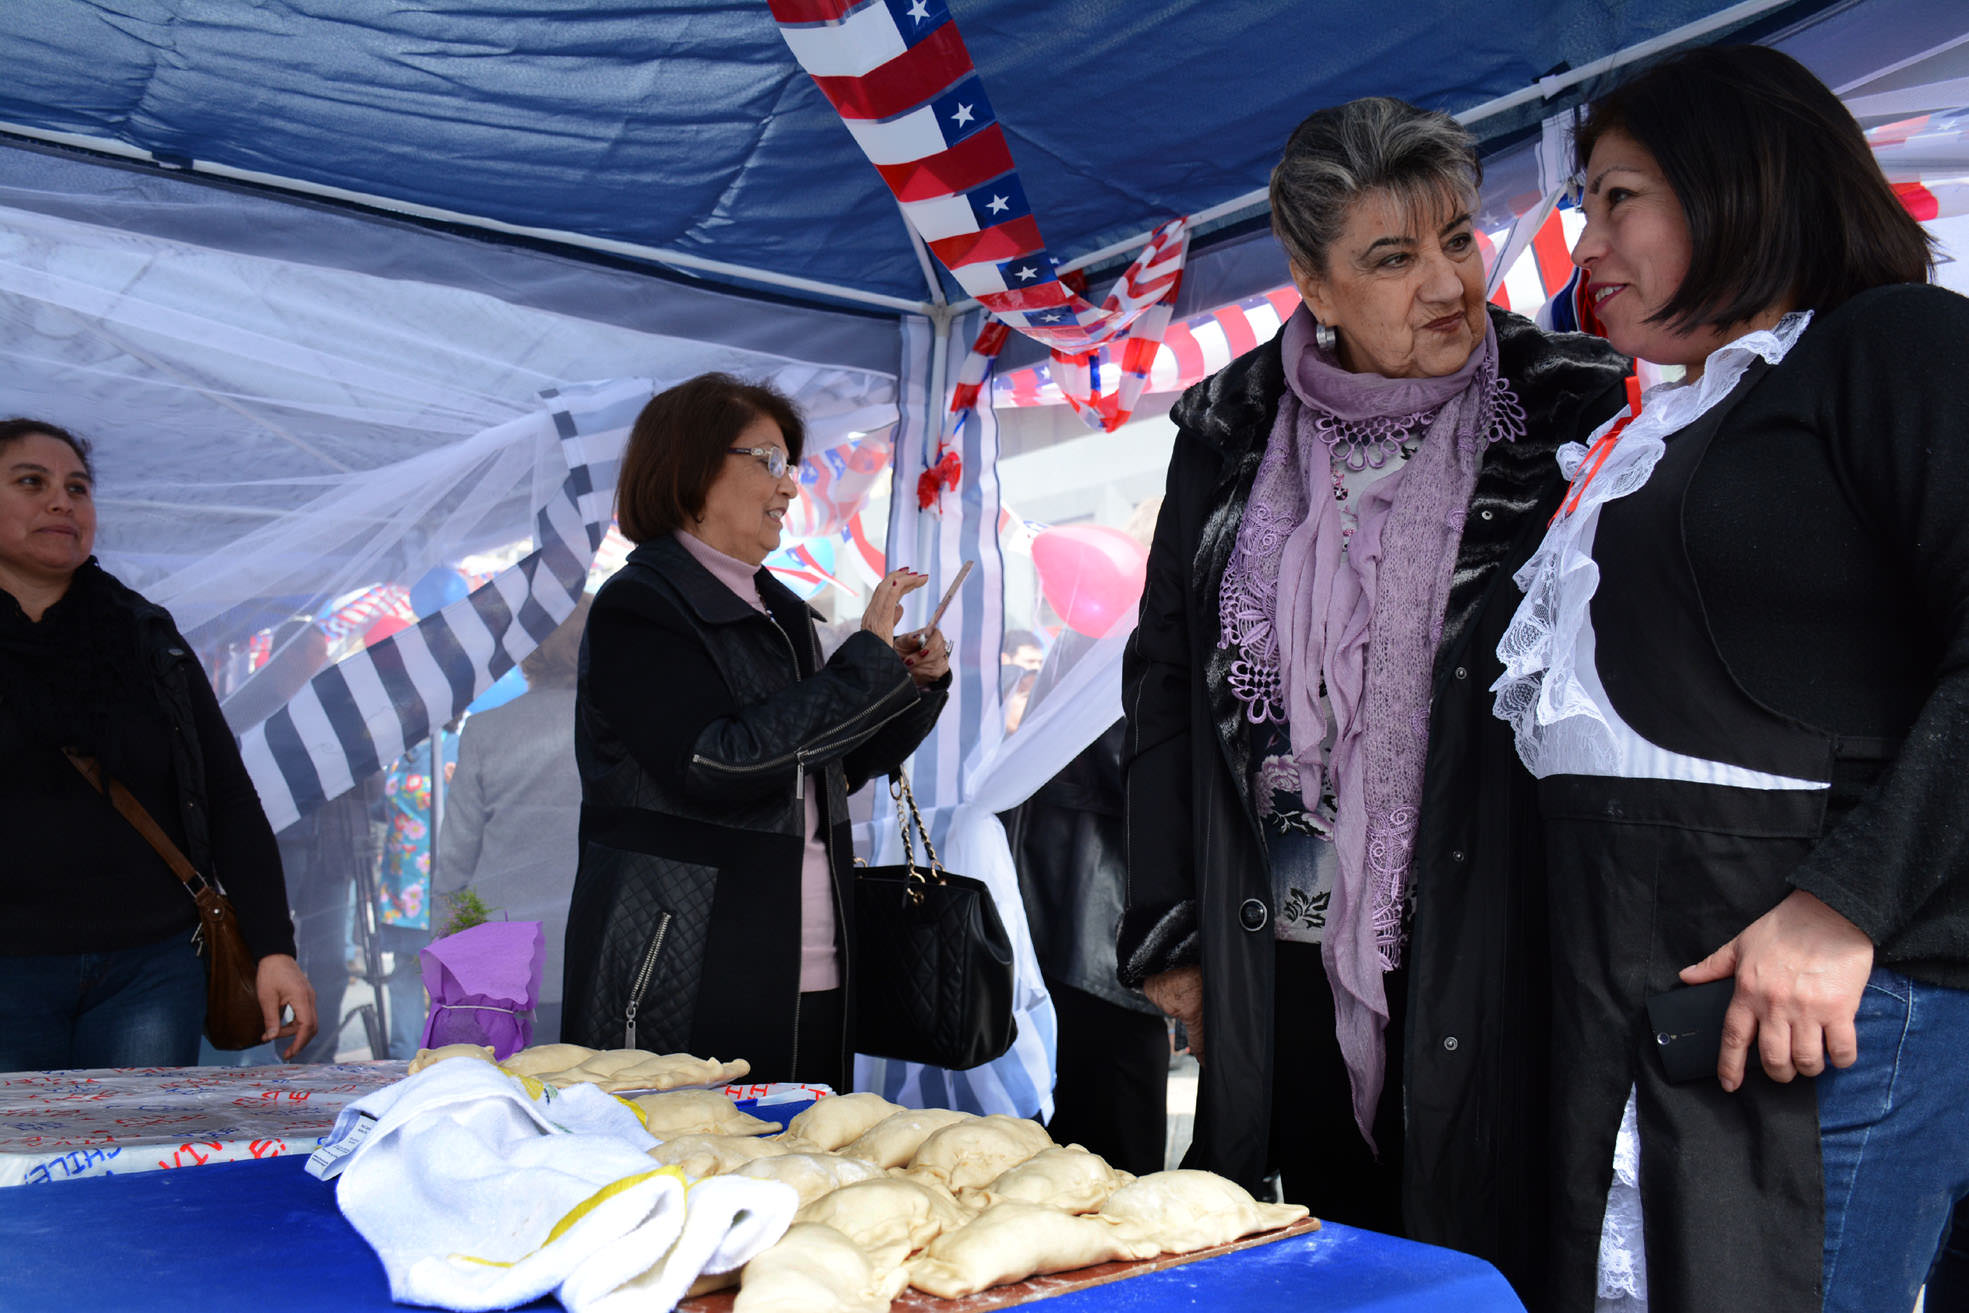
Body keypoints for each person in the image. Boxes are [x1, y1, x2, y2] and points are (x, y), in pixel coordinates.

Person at [1488, 45, 1969, 1313]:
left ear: (1739, 183)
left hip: (1825, 984)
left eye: (1616, 195)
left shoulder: (1891, 344)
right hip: (1631, 982)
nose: (1584, 238)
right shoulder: (1656, 415)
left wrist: (1842, 907)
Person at [1117, 96, 1630, 1252]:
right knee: (1327, 1240)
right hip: (1281, 936)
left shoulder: (1571, 410)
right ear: (1312, 278)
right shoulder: (1226, 434)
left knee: (1488, 1238)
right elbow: (1160, 685)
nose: (1445, 283)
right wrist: (1169, 928)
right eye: (1392, 258)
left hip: (1497, 928)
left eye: (1456, 237)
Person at [561, 374, 950, 1089]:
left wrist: (910, 688)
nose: (790, 488)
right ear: (691, 469)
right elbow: (717, 761)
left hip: (813, 959)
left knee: (800, 1178)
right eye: (767, 461)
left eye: (791, 467)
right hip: (685, 967)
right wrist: (863, 665)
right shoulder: (640, 604)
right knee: (692, 1178)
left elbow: (830, 767)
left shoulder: (783, 608)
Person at [0, 418, 317, 1067]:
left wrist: (273, 945)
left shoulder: (145, 636)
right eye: (32, 482)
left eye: (78, 488)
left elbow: (228, 794)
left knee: (135, 1164)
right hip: (7, 974)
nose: (62, 502)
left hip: (148, 972)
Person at [435, 596, 592, 1045]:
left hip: (499, 951)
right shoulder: (619, 729)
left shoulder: (485, 729)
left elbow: (455, 862)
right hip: (593, 946)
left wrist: (443, 958)